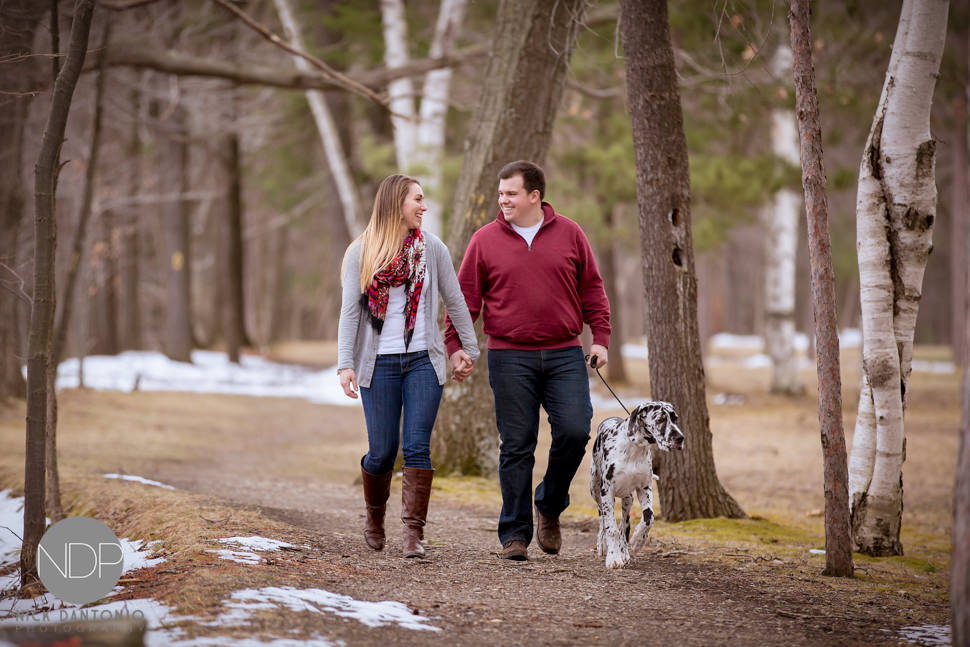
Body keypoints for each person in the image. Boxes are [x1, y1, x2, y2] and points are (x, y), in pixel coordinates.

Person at [445, 160, 611, 561]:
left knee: (574, 431)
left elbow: (592, 287)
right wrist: (456, 345)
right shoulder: (484, 240)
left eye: (511, 193)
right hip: (509, 355)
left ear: (534, 196)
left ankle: (549, 506)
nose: (503, 200)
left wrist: (600, 338)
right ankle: (514, 535)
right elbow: (464, 299)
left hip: (565, 353)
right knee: (517, 445)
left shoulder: (570, 233)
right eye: (501, 193)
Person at [338, 174, 479, 558]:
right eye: (417, 199)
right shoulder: (361, 253)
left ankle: (413, 534)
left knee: (417, 447)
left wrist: (467, 349)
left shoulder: (432, 249)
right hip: (377, 364)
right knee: (382, 451)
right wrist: (344, 364)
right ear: (396, 203)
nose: (424, 206)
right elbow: (350, 312)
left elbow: (455, 300)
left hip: (422, 361)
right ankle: (374, 518)